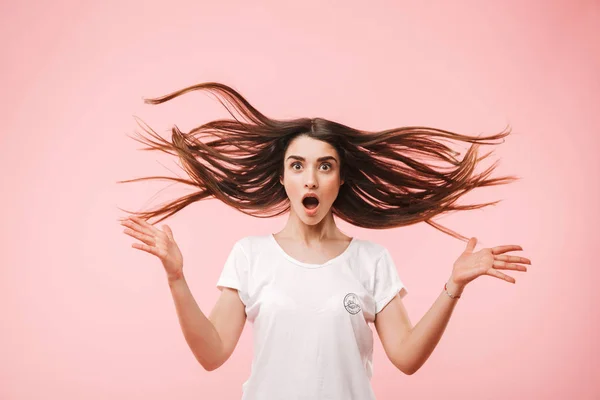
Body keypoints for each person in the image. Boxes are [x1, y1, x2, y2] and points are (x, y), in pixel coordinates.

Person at [117, 82, 532, 399]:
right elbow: (212, 354)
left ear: (340, 177)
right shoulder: (250, 255)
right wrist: (176, 278)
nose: (310, 178)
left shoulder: (371, 260)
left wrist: (452, 287)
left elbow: (405, 357)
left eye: (325, 166)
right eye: (297, 165)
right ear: (283, 178)